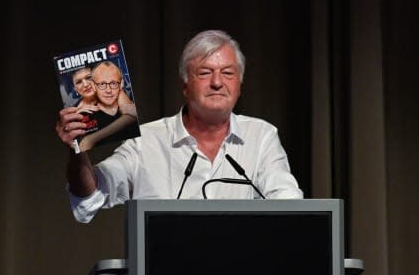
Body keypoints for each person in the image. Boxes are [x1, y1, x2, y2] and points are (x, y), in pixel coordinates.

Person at [55, 29, 303, 224]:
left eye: (228, 73)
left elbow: (290, 207)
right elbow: (90, 196)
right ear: (185, 85)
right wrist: (78, 149)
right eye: (204, 73)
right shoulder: (145, 143)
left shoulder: (261, 137)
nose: (217, 82)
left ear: (239, 85)